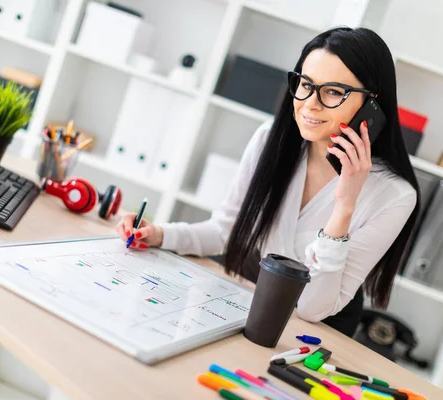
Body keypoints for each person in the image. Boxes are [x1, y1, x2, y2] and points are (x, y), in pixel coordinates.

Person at [116, 27, 421, 337]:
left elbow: (312, 308)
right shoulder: (269, 140)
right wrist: (159, 234)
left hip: (320, 329)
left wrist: (344, 206)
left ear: (372, 104)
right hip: (251, 295)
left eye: (332, 91)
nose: (310, 104)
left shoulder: (394, 195)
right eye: (305, 84)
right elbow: (226, 231)